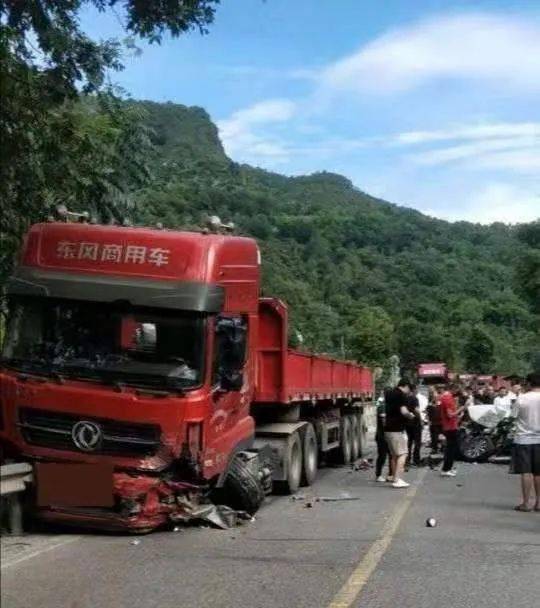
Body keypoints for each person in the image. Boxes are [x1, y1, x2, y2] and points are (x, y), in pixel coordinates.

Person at [510, 371, 540, 512]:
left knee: (526, 472)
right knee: (538, 472)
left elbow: (513, 415)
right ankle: (539, 503)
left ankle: (526, 503)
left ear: (528, 383)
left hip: (523, 439)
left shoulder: (521, 399)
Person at [384, 379, 415, 488]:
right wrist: (411, 416)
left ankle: (393, 476)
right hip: (397, 429)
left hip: (388, 428)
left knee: (394, 455)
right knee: (403, 454)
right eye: (409, 389)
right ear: (405, 386)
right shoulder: (401, 395)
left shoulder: (389, 393)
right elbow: (404, 411)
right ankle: (397, 479)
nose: (409, 391)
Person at [439, 385, 464, 477]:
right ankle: (446, 469)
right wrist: (461, 408)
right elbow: (450, 415)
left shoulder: (448, 398)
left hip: (450, 426)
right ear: (454, 389)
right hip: (450, 428)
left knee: (451, 448)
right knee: (450, 449)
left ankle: (447, 468)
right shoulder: (448, 398)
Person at [375, 394, 393, 482]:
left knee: (391, 456)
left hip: (389, 435)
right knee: (382, 456)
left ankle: (390, 474)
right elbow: (384, 422)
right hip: (382, 436)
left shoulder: (390, 406)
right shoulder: (383, 407)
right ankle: (378, 475)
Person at [405, 385, 423, 467]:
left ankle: (407, 460)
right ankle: (416, 460)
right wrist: (421, 420)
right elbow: (416, 410)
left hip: (407, 423)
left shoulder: (405, 398)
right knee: (417, 442)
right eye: (417, 389)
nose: (417, 391)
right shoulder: (414, 398)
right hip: (415, 423)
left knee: (409, 442)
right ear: (414, 390)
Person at [426, 386, 443, 453]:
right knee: (434, 436)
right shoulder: (430, 403)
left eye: (436, 396)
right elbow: (428, 412)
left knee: (439, 435)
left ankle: (440, 447)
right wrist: (428, 420)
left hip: (439, 421)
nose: (435, 397)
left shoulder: (440, 402)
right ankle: (434, 448)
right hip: (433, 422)